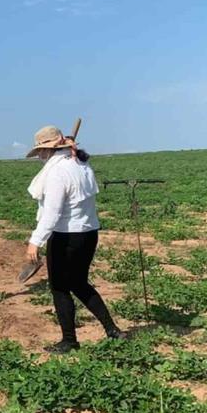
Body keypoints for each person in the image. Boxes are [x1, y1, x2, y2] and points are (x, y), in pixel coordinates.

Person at [25, 125, 127, 353]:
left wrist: (36, 240)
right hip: (89, 233)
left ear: (50, 149)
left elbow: (52, 212)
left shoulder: (57, 172)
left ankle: (69, 340)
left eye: (41, 150)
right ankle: (112, 330)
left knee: (60, 287)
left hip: (66, 236)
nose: (39, 155)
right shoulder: (82, 165)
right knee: (79, 283)